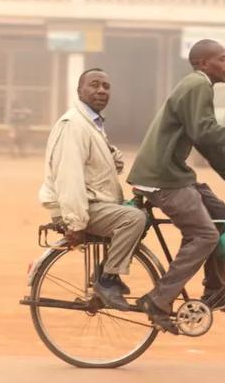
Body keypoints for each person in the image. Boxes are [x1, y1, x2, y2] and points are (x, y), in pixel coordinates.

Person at [127, 39, 225, 333]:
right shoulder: (198, 85)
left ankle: (215, 290)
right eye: (222, 59)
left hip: (173, 174)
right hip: (161, 178)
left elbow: (210, 146)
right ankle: (158, 300)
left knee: (221, 216)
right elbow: (207, 133)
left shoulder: (197, 87)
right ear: (203, 63)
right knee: (204, 234)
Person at [39, 68, 147, 311]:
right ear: (80, 91)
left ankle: (106, 270)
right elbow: (69, 177)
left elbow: (100, 163)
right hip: (81, 207)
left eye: (106, 87)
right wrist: (75, 223)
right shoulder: (74, 125)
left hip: (92, 203)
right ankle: (107, 280)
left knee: (141, 215)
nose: (101, 90)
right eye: (94, 85)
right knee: (133, 219)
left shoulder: (92, 123)